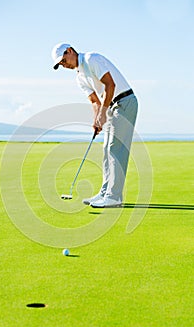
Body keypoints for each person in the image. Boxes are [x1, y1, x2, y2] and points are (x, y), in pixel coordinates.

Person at [51, 43, 138, 208]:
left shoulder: (92, 59)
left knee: (115, 149)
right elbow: (94, 101)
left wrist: (103, 113)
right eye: (60, 64)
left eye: (63, 60)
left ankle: (114, 197)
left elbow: (110, 85)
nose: (64, 65)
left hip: (125, 101)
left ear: (69, 51)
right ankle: (105, 193)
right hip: (111, 105)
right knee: (107, 149)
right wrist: (97, 119)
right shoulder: (80, 77)